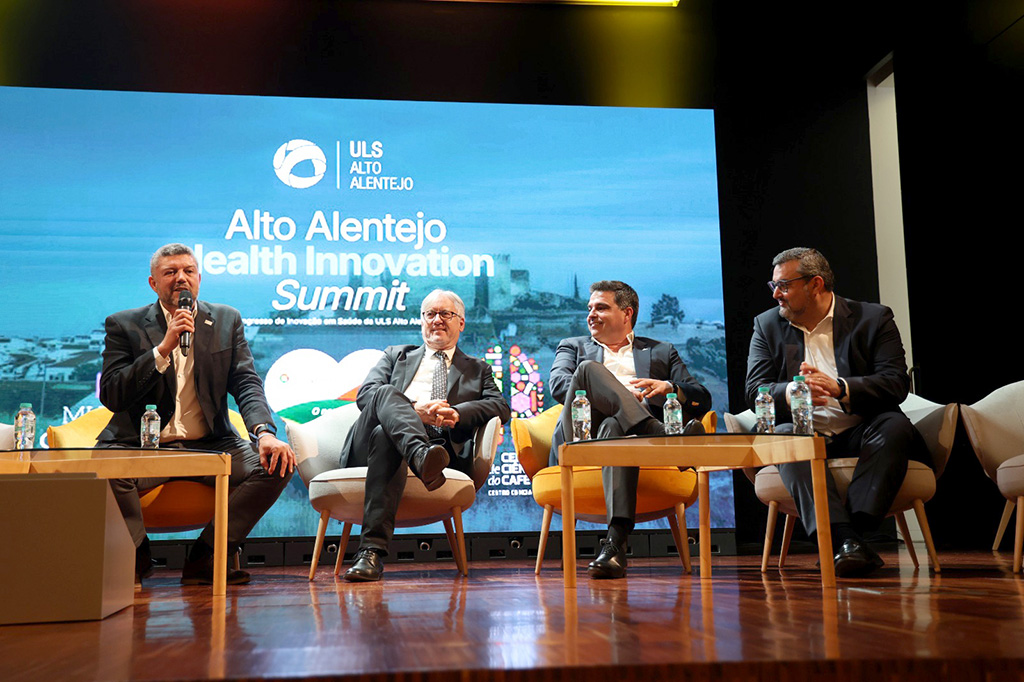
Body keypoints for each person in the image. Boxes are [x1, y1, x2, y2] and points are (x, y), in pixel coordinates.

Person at [98, 243, 295, 585]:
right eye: (170, 272)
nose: (181, 278)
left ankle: (207, 555)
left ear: (199, 279)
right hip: (140, 446)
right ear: (153, 283)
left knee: (276, 465)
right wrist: (163, 349)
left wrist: (264, 433)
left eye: (188, 271)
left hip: (210, 444)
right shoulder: (124, 325)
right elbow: (112, 394)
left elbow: (246, 382)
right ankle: (136, 556)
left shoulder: (226, 320)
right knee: (102, 469)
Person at [745, 247, 927, 578]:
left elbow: (895, 382)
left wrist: (839, 387)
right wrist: (793, 391)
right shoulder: (767, 325)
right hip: (803, 430)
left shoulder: (873, 318)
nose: (775, 294)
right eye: (773, 286)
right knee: (785, 438)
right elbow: (755, 389)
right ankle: (848, 541)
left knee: (894, 425)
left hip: (862, 429)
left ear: (815, 284)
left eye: (783, 286)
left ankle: (847, 535)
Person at [339, 289, 511, 582]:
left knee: (385, 435)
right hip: (368, 452)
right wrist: (413, 410)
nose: (437, 320)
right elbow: (366, 395)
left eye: (445, 314)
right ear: (422, 320)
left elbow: (501, 407)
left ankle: (370, 553)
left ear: (461, 322)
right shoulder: (396, 355)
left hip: (440, 450)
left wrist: (457, 413)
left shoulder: (477, 369)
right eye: (430, 314)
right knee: (384, 393)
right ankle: (420, 456)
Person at [549, 280, 711, 579]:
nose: (591, 314)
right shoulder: (573, 346)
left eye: (601, 308)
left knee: (614, 426)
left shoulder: (661, 351)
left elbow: (701, 397)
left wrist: (669, 387)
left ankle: (614, 546)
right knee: (587, 370)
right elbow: (559, 386)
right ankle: (663, 435)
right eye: (590, 308)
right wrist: (620, 394)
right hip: (579, 437)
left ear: (627, 313)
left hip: (630, 443)